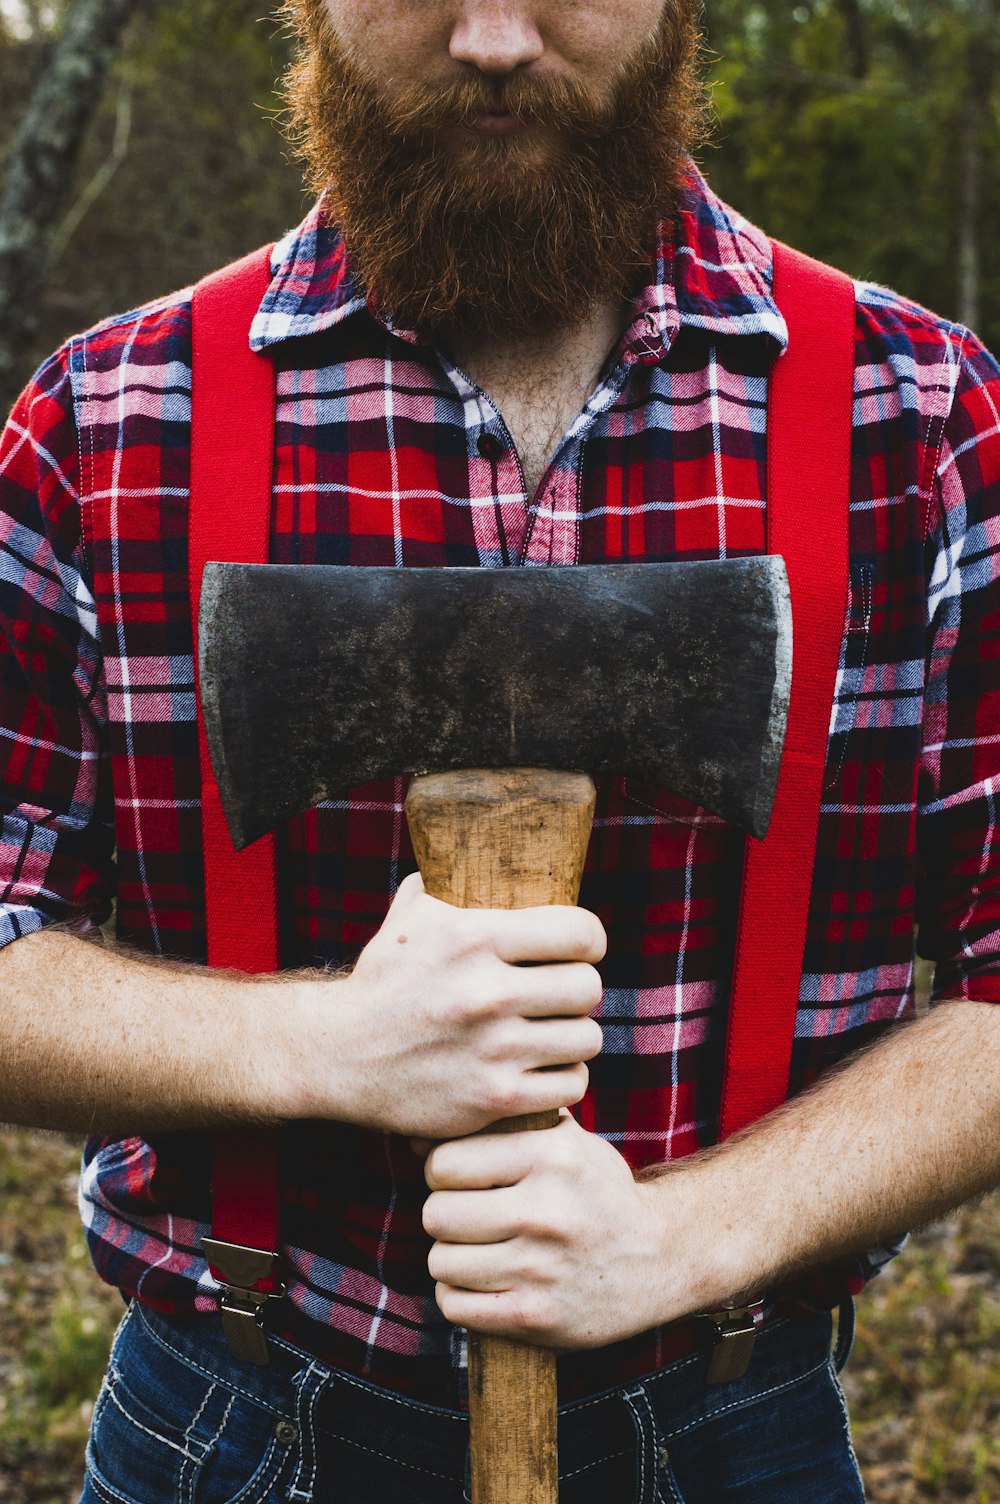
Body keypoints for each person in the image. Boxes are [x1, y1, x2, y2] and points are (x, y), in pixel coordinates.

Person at [0, 1, 998, 1499]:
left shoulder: (918, 421)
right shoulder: (108, 426)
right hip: (232, 1423)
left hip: (738, 1426)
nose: (490, 37)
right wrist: (327, 1044)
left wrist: (683, 1234)